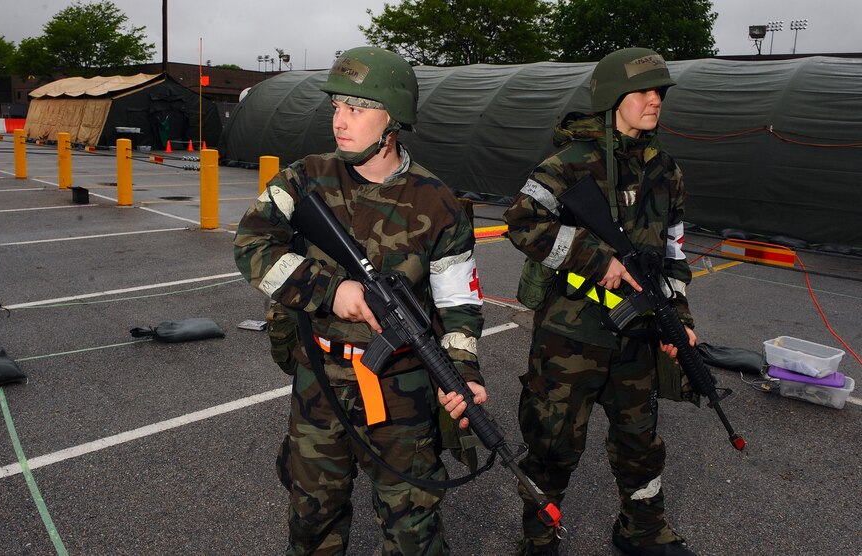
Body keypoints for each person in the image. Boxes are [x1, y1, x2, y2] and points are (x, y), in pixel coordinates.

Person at [233, 46, 486, 556]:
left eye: (356, 109)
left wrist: (464, 371)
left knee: (413, 526)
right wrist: (331, 290)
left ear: (392, 120)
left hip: (402, 387)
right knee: (311, 519)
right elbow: (250, 243)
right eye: (335, 108)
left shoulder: (438, 202)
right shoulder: (305, 176)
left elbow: (458, 299)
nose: (340, 122)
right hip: (319, 383)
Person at [504, 48, 698, 556]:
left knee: (641, 443)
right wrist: (597, 259)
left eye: (660, 92)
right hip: (571, 335)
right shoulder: (569, 164)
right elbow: (523, 223)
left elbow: (675, 253)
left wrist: (679, 318)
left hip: (639, 333)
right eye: (644, 92)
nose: (655, 100)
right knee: (551, 443)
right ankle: (539, 537)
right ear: (614, 99)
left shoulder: (667, 171)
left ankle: (643, 529)